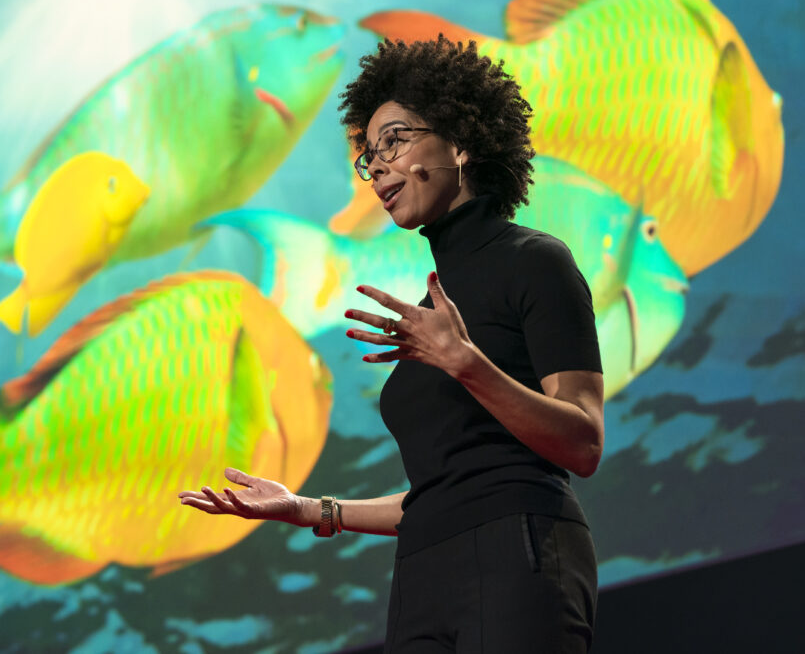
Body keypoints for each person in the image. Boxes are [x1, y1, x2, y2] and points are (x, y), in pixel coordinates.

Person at [178, 36, 605, 653]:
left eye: (396, 140)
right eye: (368, 155)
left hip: (522, 547)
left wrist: (465, 363)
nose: (376, 165)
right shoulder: (435, 305)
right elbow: (442, 493)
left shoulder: (536, 263)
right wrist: (310, 509)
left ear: (460, 142)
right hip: (424, 571)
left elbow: (583, 442)